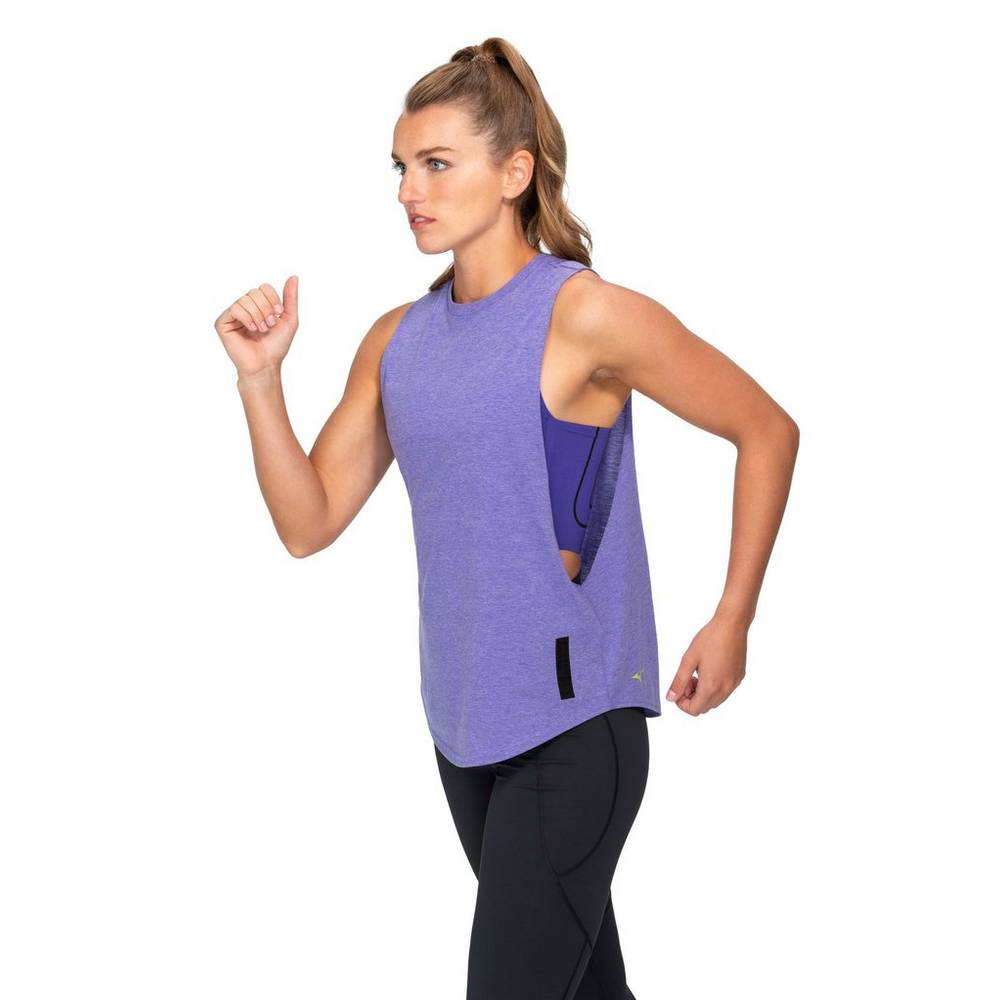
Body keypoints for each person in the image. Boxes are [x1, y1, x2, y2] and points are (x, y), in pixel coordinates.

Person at [213, 37, 799, 1000]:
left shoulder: (583, 314)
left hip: (575, 728)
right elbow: (307, 522)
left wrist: (731, 617)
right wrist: (260, 382)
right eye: (401, 167)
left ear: (515, 173)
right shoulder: (397, 341)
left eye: (437, 164)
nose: (411, 190)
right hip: (462, 727)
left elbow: (766, 429)